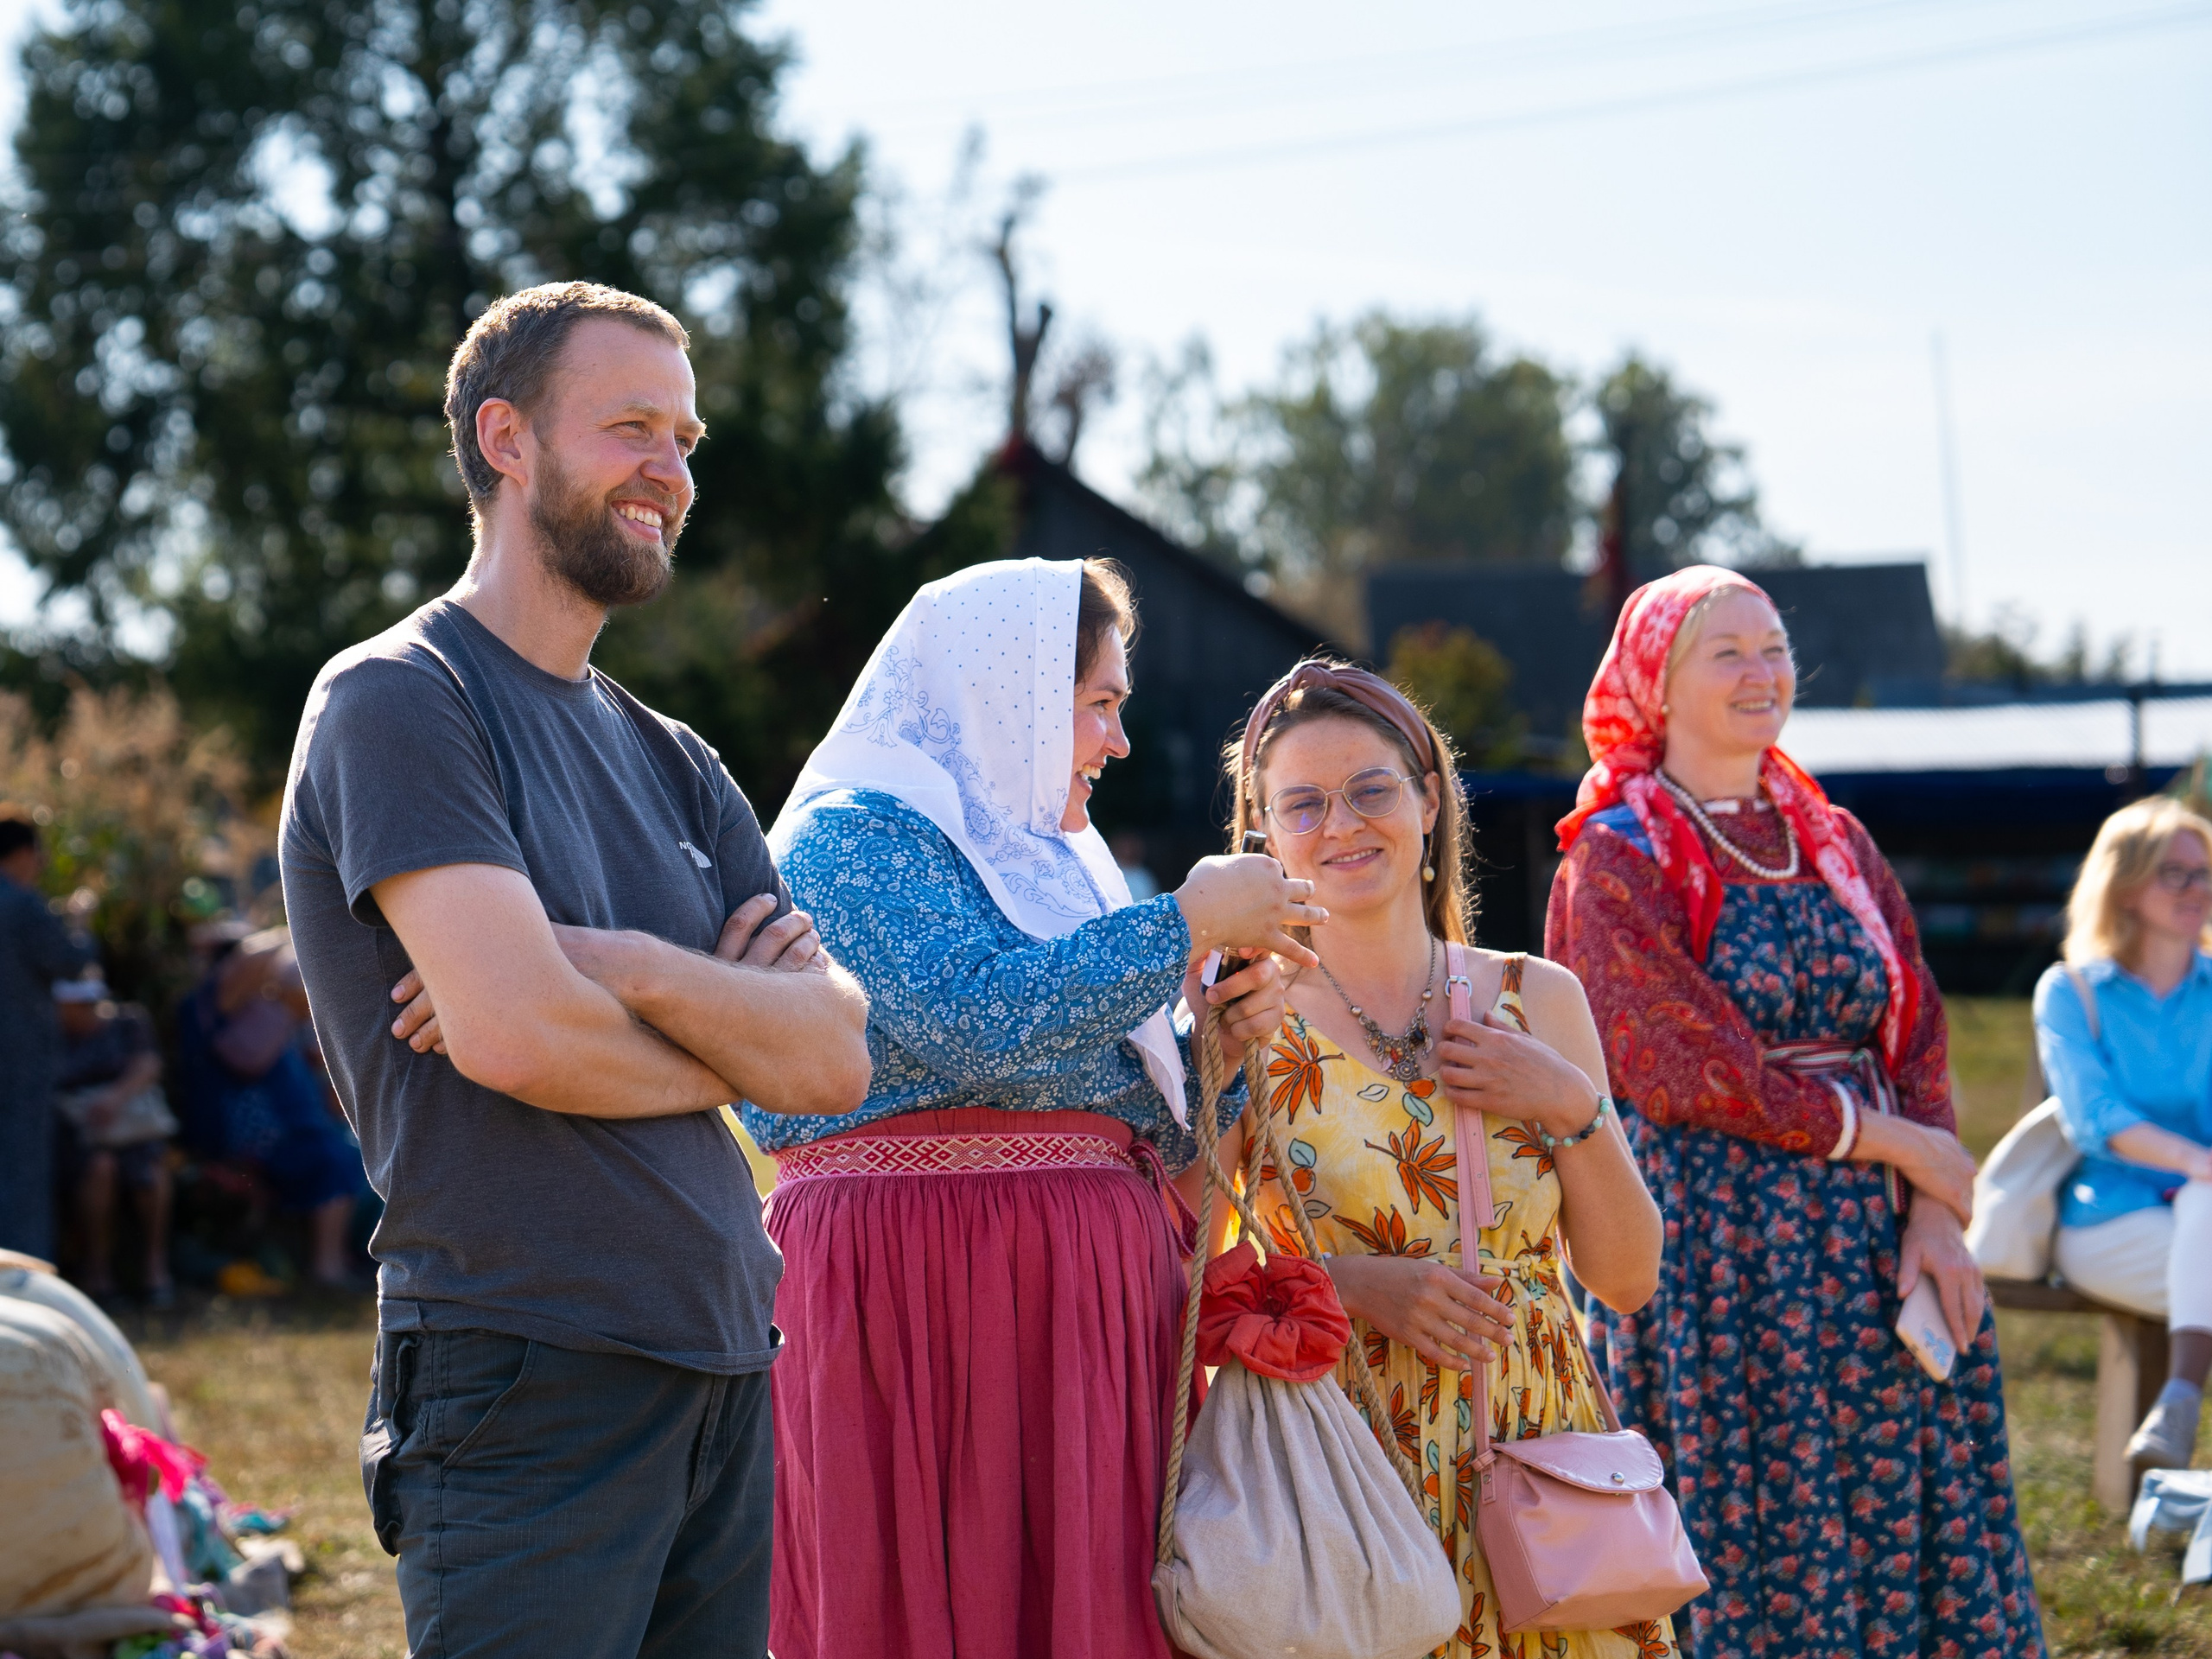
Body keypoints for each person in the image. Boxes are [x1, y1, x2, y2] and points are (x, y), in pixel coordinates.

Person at [280, 281, 872, 1658]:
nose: (670, 470)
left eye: (684, 437)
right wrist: (732, 1032)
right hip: (527, 1366)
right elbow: (518, 1037)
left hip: (728, 1357)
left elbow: (836, 1061)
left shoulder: (677, 756)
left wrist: (618, 964)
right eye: (630, 428)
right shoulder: (400, 698)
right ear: (507, 439)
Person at [753, 556, 1315, 1659]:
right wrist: (1182, 923)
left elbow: (1120, 1113)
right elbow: (980, 1019)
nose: (1114, 741)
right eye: (1097, 705)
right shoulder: (848, 841)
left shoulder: (1057, 867)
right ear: (1003, 696)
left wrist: (1221, 1050)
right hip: (914, 1288)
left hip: (1078, 1298)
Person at [1547, 567, 2042, 1658]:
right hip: (1718, 1245)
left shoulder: (1832, 838)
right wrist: (1886, 1140)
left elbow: (1910, 1025)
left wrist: (1932, 1213)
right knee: (1755, 1518)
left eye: (1772, 647)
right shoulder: (1615, 856)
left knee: (1906, 1500)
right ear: (1656, 685)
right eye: (1726, 652)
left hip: (1875, 1243)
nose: (1762, 671)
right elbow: (1675, 1062)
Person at [1230, 660, 1675, 1659]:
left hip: (1540, 1463)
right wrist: (1344, 1285)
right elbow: (1170, 1277)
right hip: (1348, 1464)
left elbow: (1628, 1277)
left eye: (1372, 790)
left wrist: (1568, 1105)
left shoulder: (1539, 997)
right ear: (1264, 837)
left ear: (1428, 801)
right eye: (1302, 805)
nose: (1341, 825)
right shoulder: (1239, 1021)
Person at [2036, 796, 2212, 1470]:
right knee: (2205, 1192)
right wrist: (2198, 1162)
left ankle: (2177, 1408)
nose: (2197, 888)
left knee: (2204, 1199)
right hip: (2107, 1222)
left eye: (2204, 873)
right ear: (2127, 885)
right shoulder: (2071, 991)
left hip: (2200, 1220)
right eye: (2176, 873)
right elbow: (2093, 1117)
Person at [173, 928, 363, 1288]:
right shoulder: (211, 1006)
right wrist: (310, 913)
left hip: (294, 1130)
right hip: (247, 1138)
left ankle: (338, 1261)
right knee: (330, 1155)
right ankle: (327, 1267)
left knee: (342, 1151)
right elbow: (251, 961)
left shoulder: (266, 1010)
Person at [0, 810, 97, 1261]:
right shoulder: (21, 903)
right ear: (20, 853)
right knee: (23, 1165)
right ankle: (23, 1270)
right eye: (36, 853)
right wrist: (80, 923)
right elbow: (70, 961)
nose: (39, 863)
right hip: (20, 1056)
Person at [53, 977, 177, 1309]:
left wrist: (113, 1098)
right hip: (77, 1136)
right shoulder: (49, 1031)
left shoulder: (127, 1021)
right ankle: (99, 1272)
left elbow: (149, 1063)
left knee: (152, 1168)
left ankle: (155, 1269)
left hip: (132, 1126)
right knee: (100, 1168)